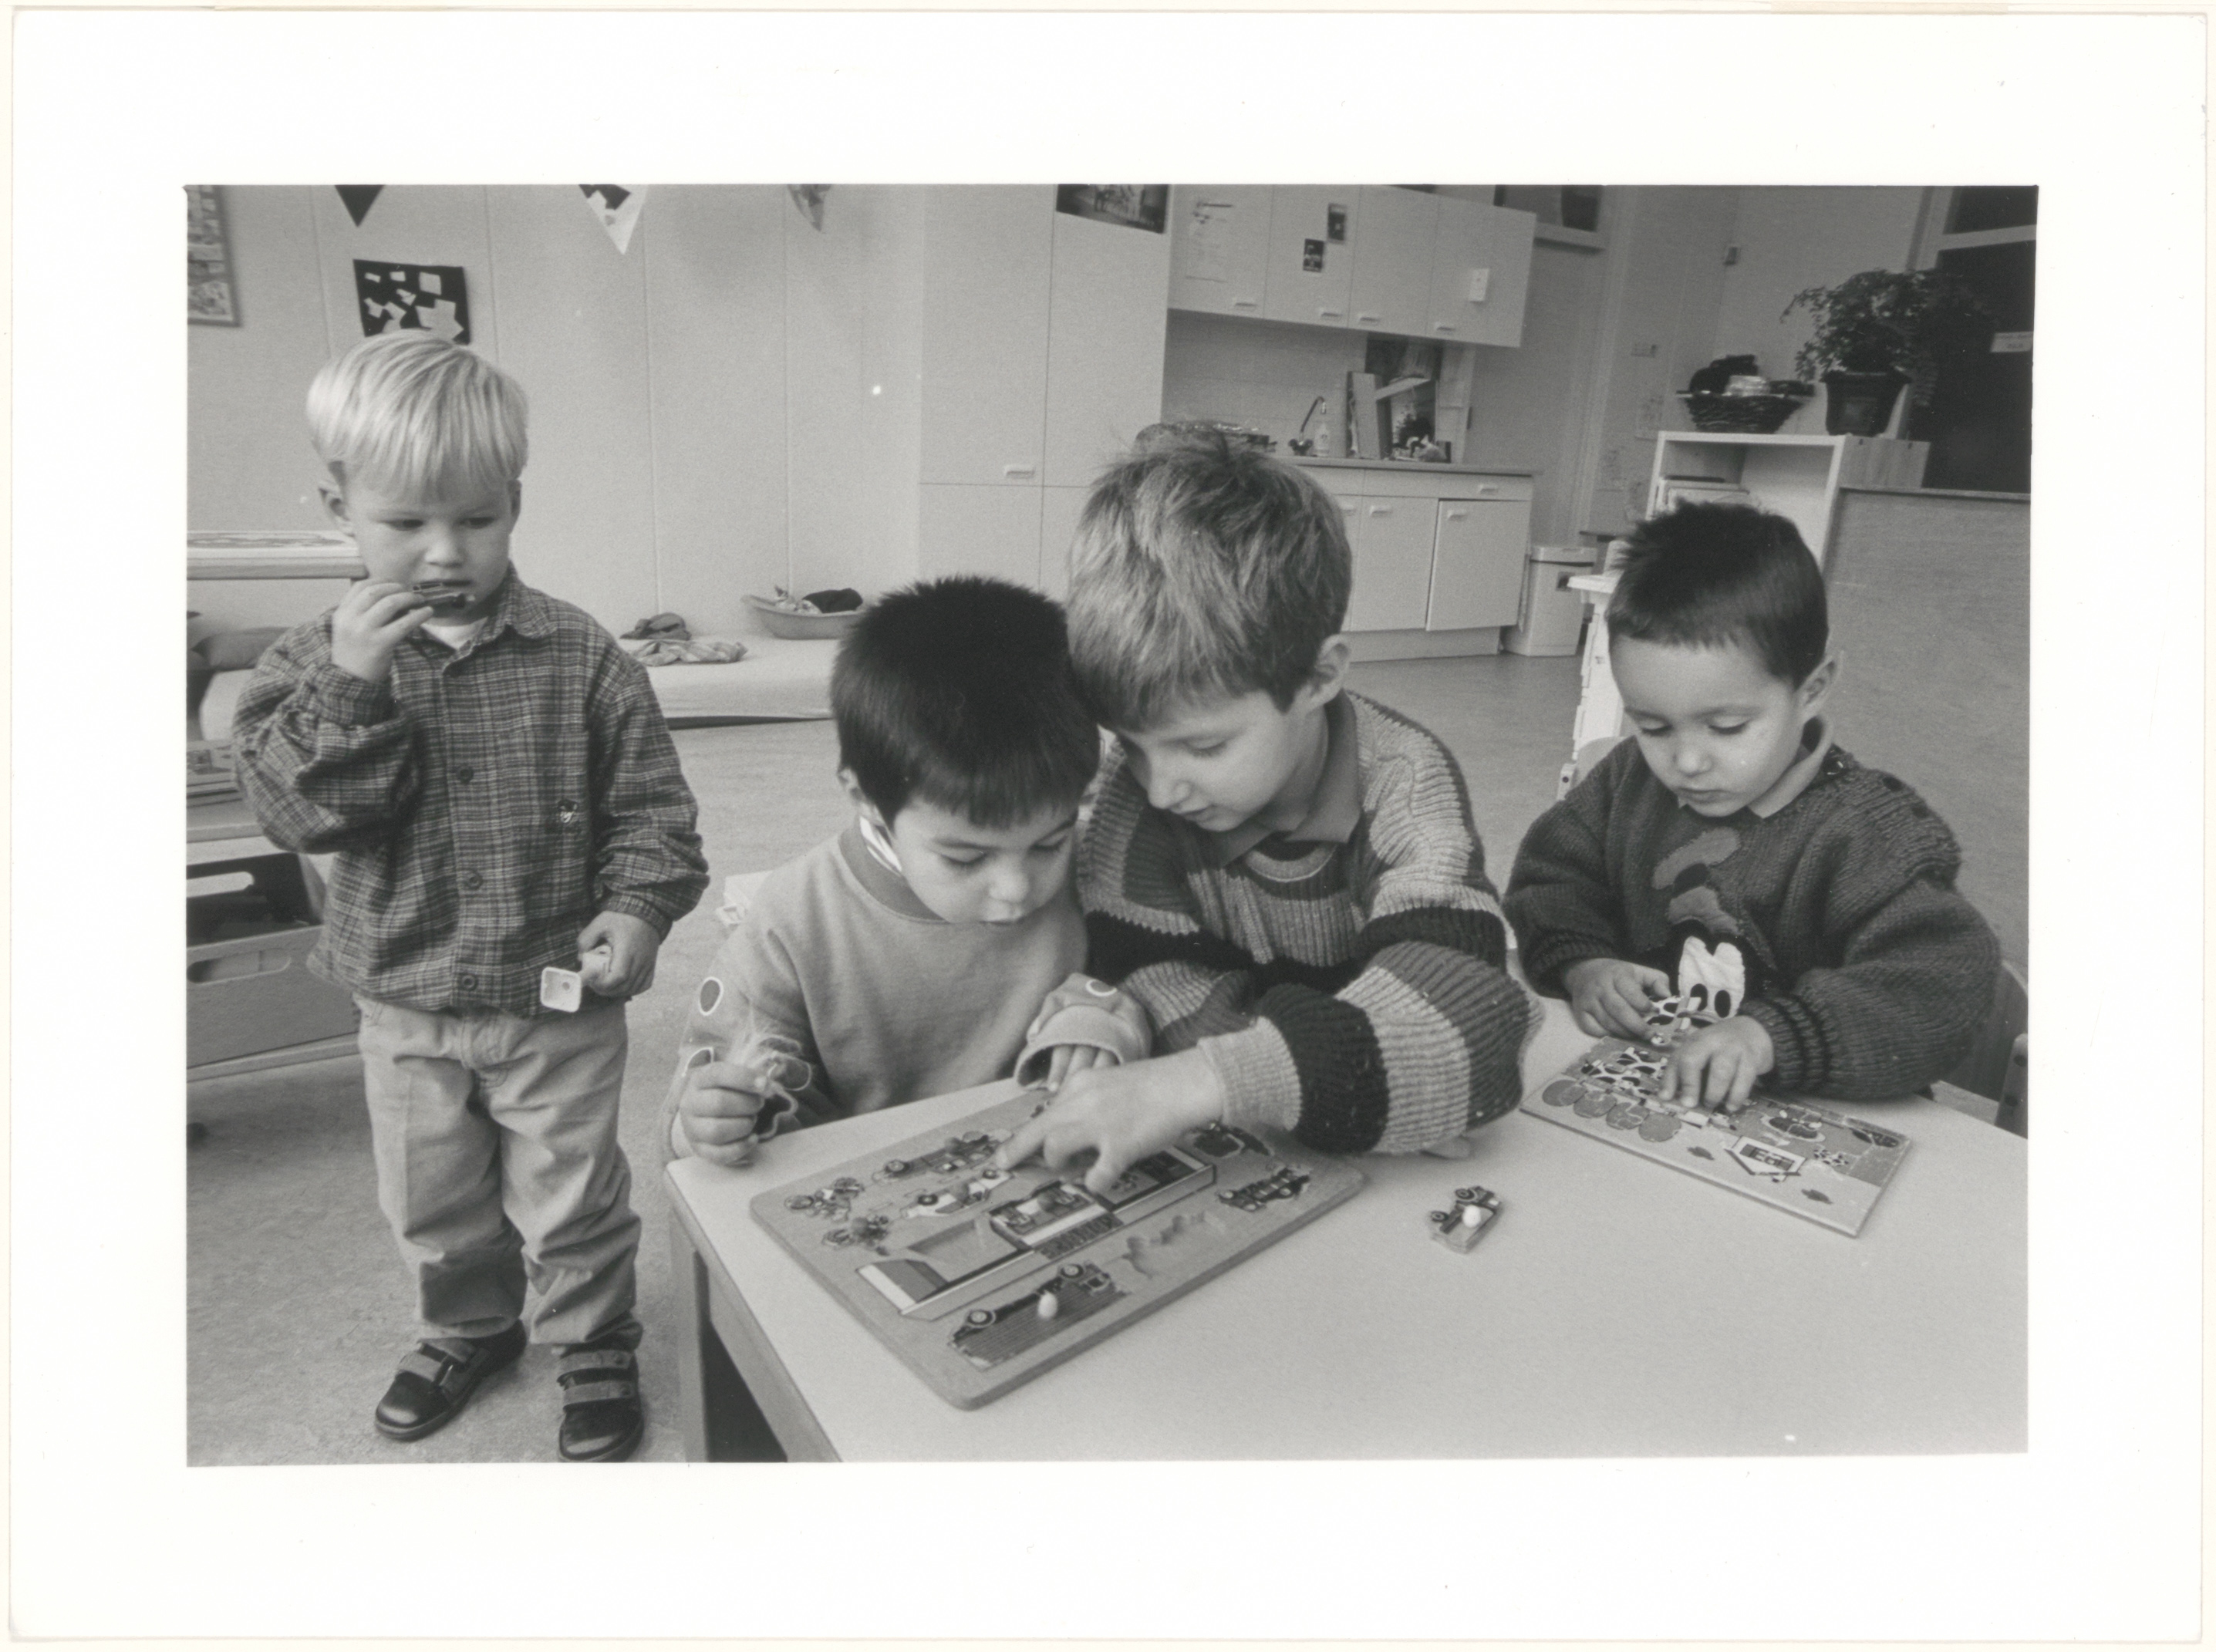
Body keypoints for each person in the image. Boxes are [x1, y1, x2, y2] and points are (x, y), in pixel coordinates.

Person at [231, 332, 707, 1462]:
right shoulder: (307, 664)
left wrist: (637, 908)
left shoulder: (582, 654)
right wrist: (353, 689)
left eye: (478, 519)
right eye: (404, 523)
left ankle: (592, 1336)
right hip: (404, 1000)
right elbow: (298, 815)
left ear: (515, 503)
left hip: (556, 998)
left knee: (572, 1192)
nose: (445, 552)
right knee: (431, 1199)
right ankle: (469, 1328)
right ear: (339, 507)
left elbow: (654, 811)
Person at [997, 430, 1536, 1193]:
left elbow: (1475, 1016)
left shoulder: (1404, 781)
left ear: (1319, 677)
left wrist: (1207, 1081)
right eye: (1133, 745)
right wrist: (1336, 1086)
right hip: (1311, 1131)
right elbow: (1149, 975)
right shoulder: (1134, 795)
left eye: (1204, 746)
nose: (1159, 789)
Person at [1504, 501, 2000, 1108]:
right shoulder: (1624, 780)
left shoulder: (1872, 836)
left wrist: (1771, 1037)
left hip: (1814, 1115)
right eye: (1653, 727)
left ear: (1812, 689)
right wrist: (1583, 965)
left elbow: (1940, 987)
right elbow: (1550, 881)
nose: (1686, 761)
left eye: (1727, 727)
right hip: (1647, 1101)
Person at [667, 576, 1148, 1166]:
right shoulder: (793, 920)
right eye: (965, 858)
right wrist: (710, 1121)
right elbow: (706, 1097)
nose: (1016, 889)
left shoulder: (1100, 858)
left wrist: (1105, 1020)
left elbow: (1156, 984)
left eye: (1048, 844)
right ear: (865, 798)